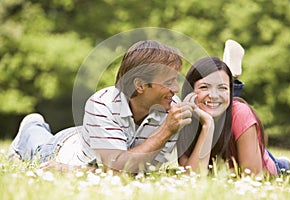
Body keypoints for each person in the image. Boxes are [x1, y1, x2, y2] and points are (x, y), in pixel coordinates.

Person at [8, 40, 195, 173]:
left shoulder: (172, 109)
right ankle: (31, 124)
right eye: (169, 81)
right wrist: (165, 131)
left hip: (97, 139)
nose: (176, 89)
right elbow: (116, 173)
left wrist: (73, 172)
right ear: (140, 85)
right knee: (34, 138)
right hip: (62, 148)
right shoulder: (102, 104)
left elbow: (140, 173)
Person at [177, 56, 290, 176]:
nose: (213, 95)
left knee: (280, 165)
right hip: (229, 147)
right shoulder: (183, 118)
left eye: (222, 88)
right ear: (190, 90)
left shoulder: (240, 113)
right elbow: (192, 177)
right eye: (204, 87)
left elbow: (252, 177)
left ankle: (282, 163)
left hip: (265, 163)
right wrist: (208, 126)